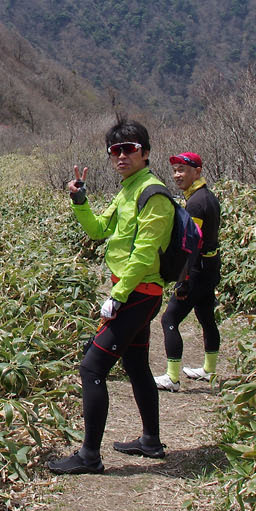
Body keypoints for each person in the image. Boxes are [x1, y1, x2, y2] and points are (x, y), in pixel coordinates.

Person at [49, 119, 173, 475]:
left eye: (129, 149)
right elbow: (100, 230)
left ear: (145, 152)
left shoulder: (154, 193)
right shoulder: (127, 190)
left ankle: (90, 456)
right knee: (135, 365)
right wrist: (80, 200)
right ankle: (150, 440)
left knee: (92, 367)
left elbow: (146, 253)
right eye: (114, 150)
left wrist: (117, 297)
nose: (121, 156)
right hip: (131, 290)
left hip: (139, 292)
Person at [155, 152, 222, 391]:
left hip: (197, 270)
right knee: (206, 317)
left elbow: (192, 244)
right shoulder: (208, 197)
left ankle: (172, 377)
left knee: (169, 319)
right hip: (211, 266)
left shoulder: (196, 202)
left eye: (182, 169)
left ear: (197, 171)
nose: (177, 175)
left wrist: (182, 280)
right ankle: (209, 371)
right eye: (175, 170)